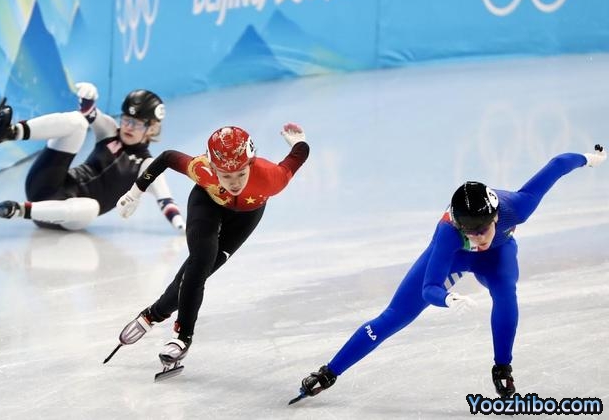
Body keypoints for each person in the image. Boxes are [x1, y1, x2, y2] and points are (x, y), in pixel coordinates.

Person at [295, 145, 606, 400]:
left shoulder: (518, 207)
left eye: (483, 231)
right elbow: (429, 287)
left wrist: (588, 158)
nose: (478, 240)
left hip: (497, 257)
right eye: (470, 233)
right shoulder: (448, 234)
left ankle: (502, 368)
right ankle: (329, 372)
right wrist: (447, 299)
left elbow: (558, 164)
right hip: (454, 258)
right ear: (458, 225)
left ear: (496, 217)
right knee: (394, 316)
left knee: (505, 293)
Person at [109, 123, 309, 371]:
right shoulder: (201, 168)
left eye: (241, 174)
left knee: (197, 273)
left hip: (246, 216)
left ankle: (151, 315)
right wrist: (134, 193)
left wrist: (298, 141)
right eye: (226, 175)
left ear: (251, 164)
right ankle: (183, 337)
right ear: (213, 168)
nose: (234, 183)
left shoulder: (271, 178)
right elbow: (167, 157)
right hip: (208, 202)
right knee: (201, 259)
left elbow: (298, 156)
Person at [0, 82, 184, 231]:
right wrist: (88, 96)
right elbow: (88, 112)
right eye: (126, 119)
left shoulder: (147, 165)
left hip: (62, 215)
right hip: (46, 184)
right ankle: (8, 133)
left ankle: (17, 210)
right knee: (78, 122)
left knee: (92, 207)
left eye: (136, 123)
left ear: (152, 128)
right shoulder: (110, 130)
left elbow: (166, 201)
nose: (128, 127)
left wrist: (183, 227)